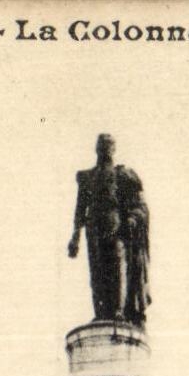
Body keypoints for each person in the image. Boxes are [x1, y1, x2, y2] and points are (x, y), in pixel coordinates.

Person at [68, 134, 150, 326]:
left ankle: (119, 311)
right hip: (94, 229)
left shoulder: (122, 175)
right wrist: (75, 237)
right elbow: (80, 209)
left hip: (116, 227)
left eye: (109, 146)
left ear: (114, 150)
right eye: (102, 146)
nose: (106, 149)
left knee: (117, 267)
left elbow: (139, 204)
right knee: (96, 271)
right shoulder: (87, 178)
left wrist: (131, 218)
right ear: (96, 149)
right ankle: (101, 313)